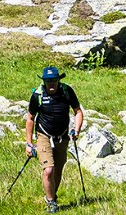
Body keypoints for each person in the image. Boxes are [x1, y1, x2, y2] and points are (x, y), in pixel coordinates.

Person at [22, 64, 84, 211]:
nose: (51, 84)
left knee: (58, 168)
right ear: (44, 81)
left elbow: (78, 112)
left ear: (58, 80)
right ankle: (51, 202)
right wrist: (29, 143)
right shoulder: (37, 95)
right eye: (48, 81)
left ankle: (52, 195)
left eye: (54, 80)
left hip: (62, 136)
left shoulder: (67, 91)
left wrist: (76, 129)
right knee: (49, 170)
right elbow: (30, 118)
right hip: (44, 135)